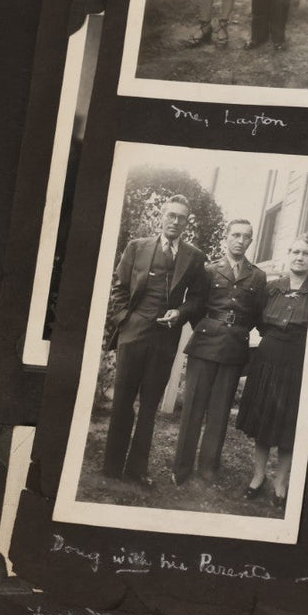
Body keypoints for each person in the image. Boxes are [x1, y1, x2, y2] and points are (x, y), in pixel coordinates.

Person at [101, 196, 205, 487]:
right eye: (171, 215)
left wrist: (180, 313)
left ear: (187, 222)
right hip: (133, 335)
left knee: (149, 407)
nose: (175, 221)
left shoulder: (194, 256)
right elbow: (118, 288)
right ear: (162, 216)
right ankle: (111, 467)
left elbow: (198, 298)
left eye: (181, 217)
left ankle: (137, 470)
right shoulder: (137, 246)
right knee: (122, 401)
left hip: (165, 339)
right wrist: (124, 321)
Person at [173, 220, 267, 486]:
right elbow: (196, 307)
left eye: (246, 237)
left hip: (234, 348)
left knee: (220, 411)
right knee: (193, 408)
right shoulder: (209, 270)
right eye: (235, 235)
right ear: (227, 237)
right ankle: (181, 468)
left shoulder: (258, 277)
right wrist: (210, 328)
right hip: (204, 344)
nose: (240, 240)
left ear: (251, 241)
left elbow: (258, 315)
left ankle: (208, 468)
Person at [236, 234, 308, 509]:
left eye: (305, 253)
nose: (299, 257)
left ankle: (281, 482)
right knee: (263, 422)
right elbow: (258, 321)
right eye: (294, 251)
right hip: (268, 360)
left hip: (298, 363)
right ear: (288, 255)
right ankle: (258, 477)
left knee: (288, 426)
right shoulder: (272, 289)